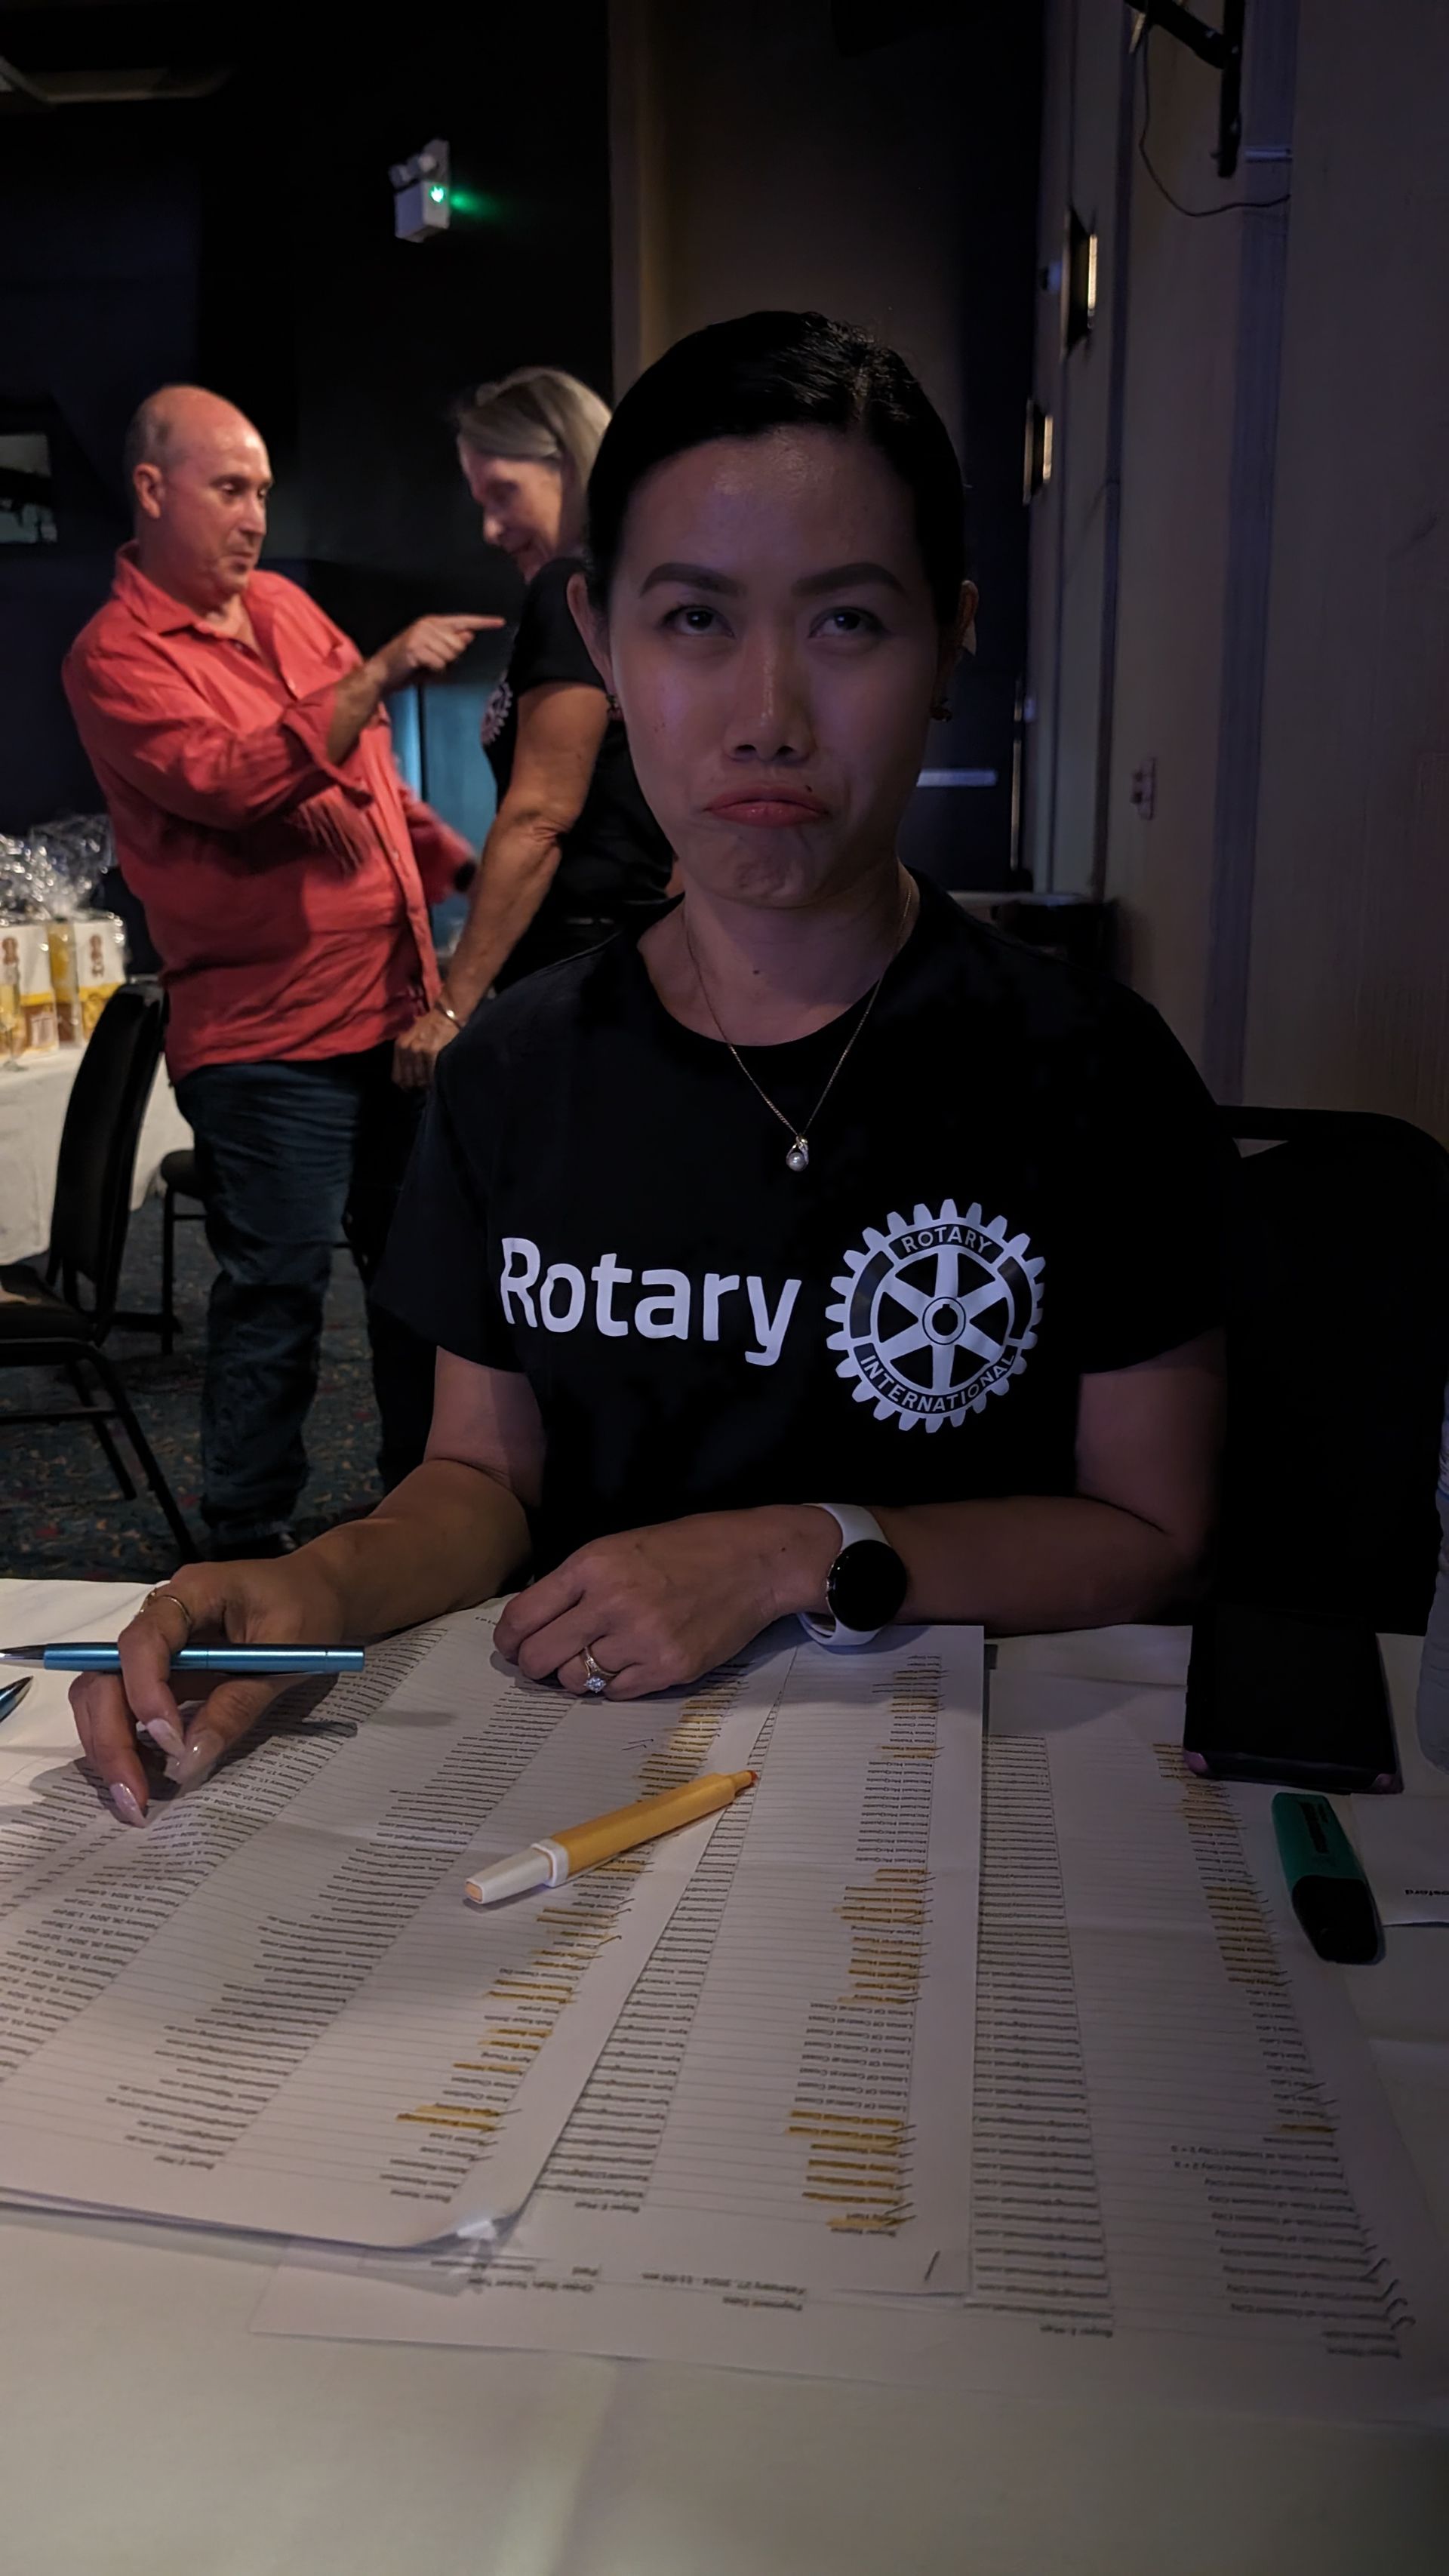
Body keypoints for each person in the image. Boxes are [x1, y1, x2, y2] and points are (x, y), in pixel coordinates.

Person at [72, 312, 1229, 1825]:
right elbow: (481, 1481)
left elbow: (1154, 1525)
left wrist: (791, 1547)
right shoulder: (520, 1072)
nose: (768, 716)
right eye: (694, 620)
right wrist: (316, 1583)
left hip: (978, 1801)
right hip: (586, 1792)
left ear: (949, 641)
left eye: (848, 622)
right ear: (603, 640)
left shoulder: (1086, 1068)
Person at [63, 385, 500, 1556]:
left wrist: (467, 878)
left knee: (421, 1284)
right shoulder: (113, 658)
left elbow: (372, 784)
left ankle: (426, 1507)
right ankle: (245, 1535)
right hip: (266, 1040)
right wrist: (384, 669)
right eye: (230, 488)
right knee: (277, 1295)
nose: (256, 514)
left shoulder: (291, 610)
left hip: (394, 1009)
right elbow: (232, 780)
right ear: (152, 491)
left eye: (262, 489)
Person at [392, 367, 673, 1089]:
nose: (489, 528)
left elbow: (542, 814)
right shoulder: (635, 592)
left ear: (570, 466)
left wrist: (452, 1011)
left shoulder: (568, 590)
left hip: (578, 972)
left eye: (502, 494)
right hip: (626, 967)